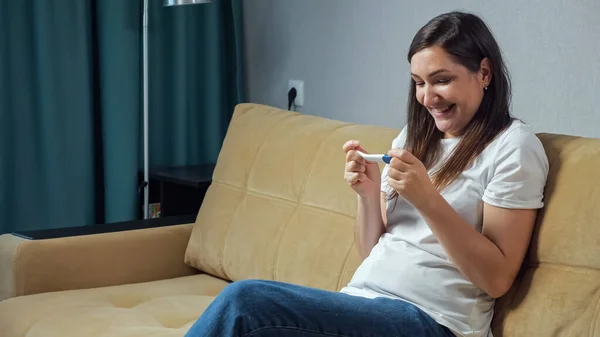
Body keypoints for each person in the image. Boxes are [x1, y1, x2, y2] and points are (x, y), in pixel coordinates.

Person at [185, 11, 549, 337]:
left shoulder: (513, 147)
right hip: (363, 303)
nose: (427, 97)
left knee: (245, 302)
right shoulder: (415, 136)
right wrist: (367, 195)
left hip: (433, 320)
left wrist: (428, 200)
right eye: (419, 83)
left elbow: (497, 278)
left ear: (483, 73)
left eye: (441, 80)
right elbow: (372, 251)